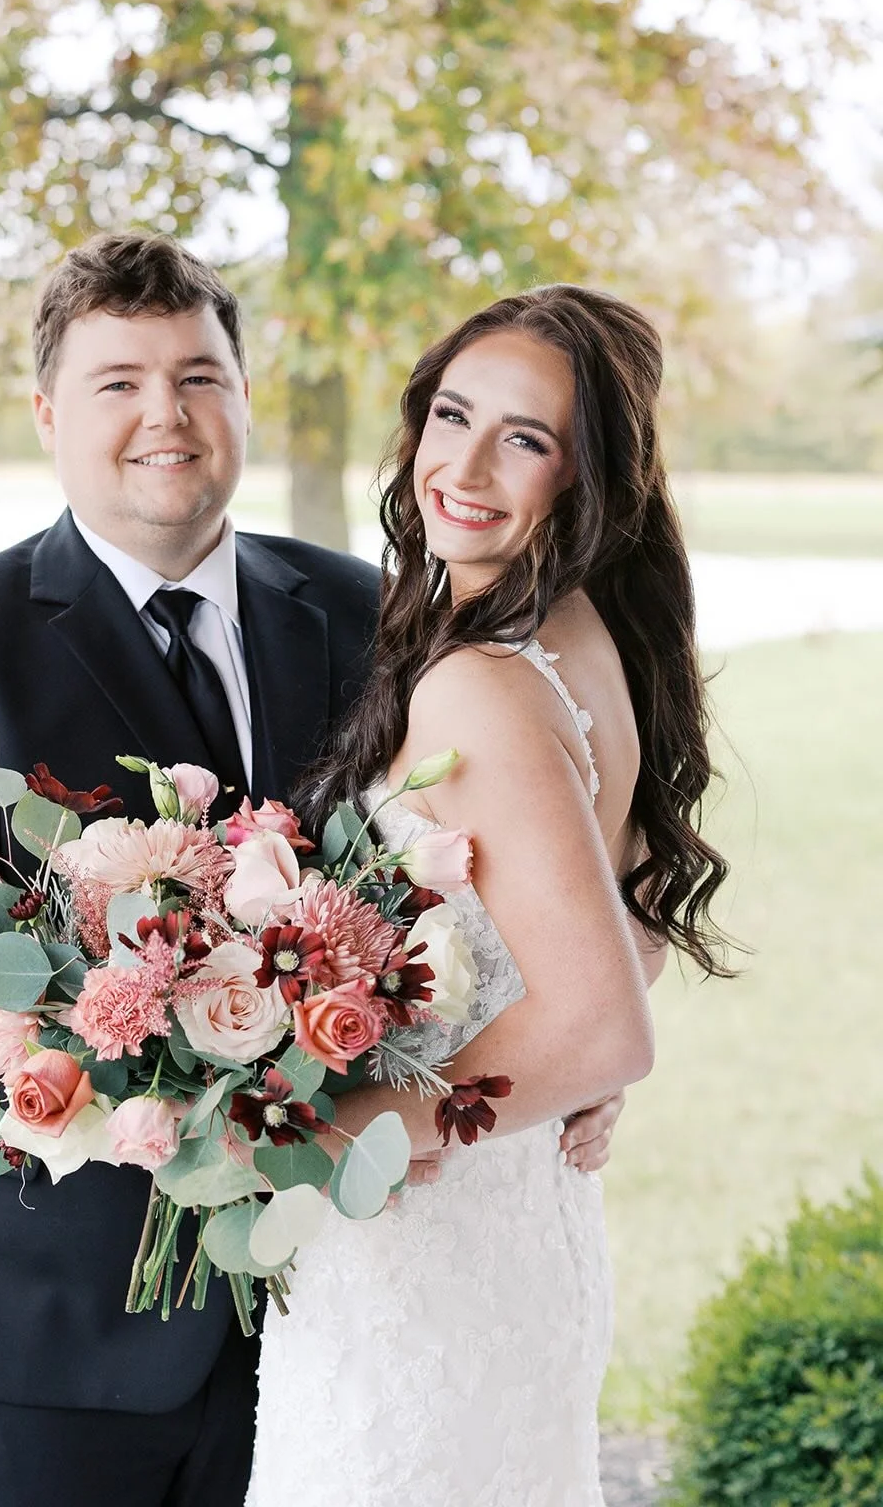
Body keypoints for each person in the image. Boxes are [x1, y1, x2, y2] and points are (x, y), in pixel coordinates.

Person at [0, 232, 383, 1507]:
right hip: (31, 1327)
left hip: (314, 1323)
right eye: (118, 381)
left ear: (244, 397)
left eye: (200, 375)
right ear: (46, 413)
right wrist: (209, 1060)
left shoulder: (367, 615)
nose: (166, 415)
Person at [247, 285, 730, 1507]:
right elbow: (620, 936)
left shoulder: (483, 684)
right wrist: (564, 1065)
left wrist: (346, 1122)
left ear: (587, 477)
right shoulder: (581, 636)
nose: (460, 466)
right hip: (513, 1228)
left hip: (429, 1254)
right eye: (449, 415)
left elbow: (608, 1022)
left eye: (523, 438)